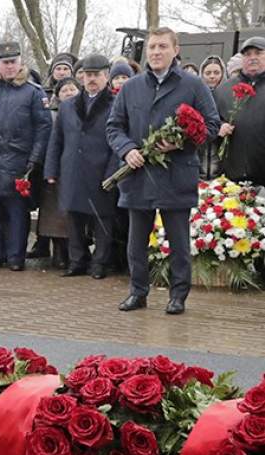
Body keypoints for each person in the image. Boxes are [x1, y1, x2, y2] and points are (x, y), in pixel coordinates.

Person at [107, 27, 221, 315]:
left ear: (176, 49)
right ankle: (138, 292)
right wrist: (127, 149)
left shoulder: (194, 85)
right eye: (152, 47)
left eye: (162, 46)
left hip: (176, 176)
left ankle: (178, 295)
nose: (156, 52)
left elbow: (211, 126)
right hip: (139, 177)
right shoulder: (131, 87)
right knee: (136, 244)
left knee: (178, 243)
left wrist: (180, 141)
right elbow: (114, 126)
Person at [0, 41, 52, 271]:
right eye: (5, 62)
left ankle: (16, 257)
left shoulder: (33, 92)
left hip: (19, 163)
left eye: (12, 62)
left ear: (20, 63)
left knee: (17, 214)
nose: (9, 67)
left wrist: (33, 161)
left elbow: (43, 129)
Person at [45, 55, 119, 280]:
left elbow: (118, 142)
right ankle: (77, 260)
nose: (92, 79)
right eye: (88, 75)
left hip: (101, 170)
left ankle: (99, 262)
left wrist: (112, 173)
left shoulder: (115, 104)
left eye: (96, 75)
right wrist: (51, 170)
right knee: (73, 217)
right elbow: (56, 140)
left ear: (106, 76)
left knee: (101, 219)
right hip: (72, 169)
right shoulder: (68, 105)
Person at [34, 77, 79, 268]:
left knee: (73, 216)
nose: (69, 93)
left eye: (72, 89)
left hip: (77, 170)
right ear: (57, 95)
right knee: (54, 216)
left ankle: (75, 254)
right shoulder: (51, 115)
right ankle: (58, 254)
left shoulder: (84, 111)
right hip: (54, 170)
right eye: (64, 90)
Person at [214, 36, 265, 186]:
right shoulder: (223, 90)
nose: (252, 58)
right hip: (231, 178)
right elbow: (210, 123)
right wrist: (219, 127)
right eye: (248, 54)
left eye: (258, 53)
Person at [197, 55, 229, 180]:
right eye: (208, 73)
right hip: (200, 150)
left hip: (221, 155)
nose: (212, 76)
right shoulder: (196, 94)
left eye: (216, 72)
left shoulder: (229, 95)